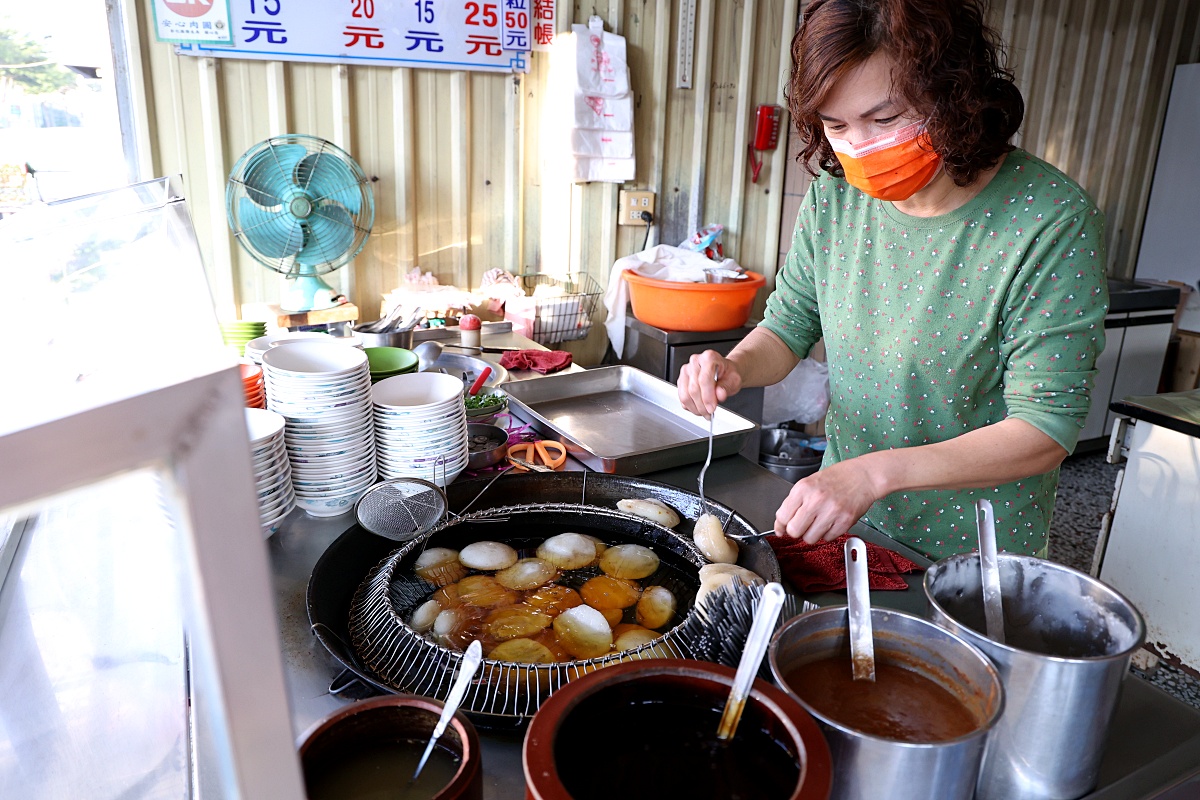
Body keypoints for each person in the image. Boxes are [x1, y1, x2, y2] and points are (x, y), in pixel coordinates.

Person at [677, 0, 1108, 561]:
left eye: (885, 119)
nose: (861, 145)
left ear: (955, 95)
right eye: (836, 125)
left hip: (972, 549)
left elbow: (1045, 428)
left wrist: (874, 475)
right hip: (846, 523)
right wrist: (735, 366)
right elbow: (788, 327)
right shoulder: (835, 199)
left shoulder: (1047, 219)